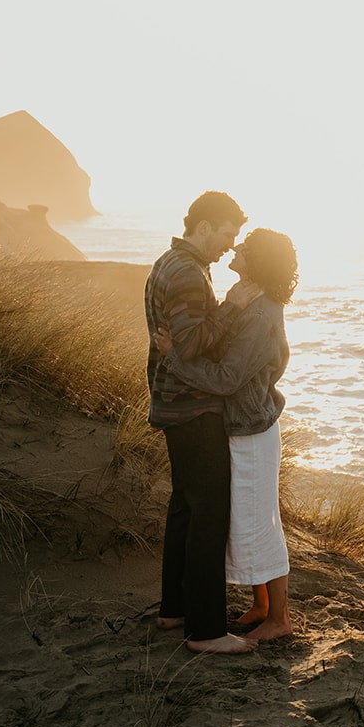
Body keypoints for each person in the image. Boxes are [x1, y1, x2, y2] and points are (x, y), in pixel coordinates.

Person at [157, 227, 298, 643]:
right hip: (242, 424)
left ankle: (280, 618)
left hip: (252, 429)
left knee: (261, 523)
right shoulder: (245, 298)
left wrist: (174, 360)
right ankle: (262, 605)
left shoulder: (260, 312)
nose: (236, 247)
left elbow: (226, 378)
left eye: (246, 247)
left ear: (259, 261)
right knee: (248, 519)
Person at [143, 190, 258, 655]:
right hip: (191, 406)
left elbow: (181, 342)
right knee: (209, 514)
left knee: (184, 509)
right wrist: (232, 306)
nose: (231, 245)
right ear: (206, 225)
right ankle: (207, 631)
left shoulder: (170, 261)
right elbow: (188, 348)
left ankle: (174, 609)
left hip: (174, 404)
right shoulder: (189, 273)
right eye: (228, 233)